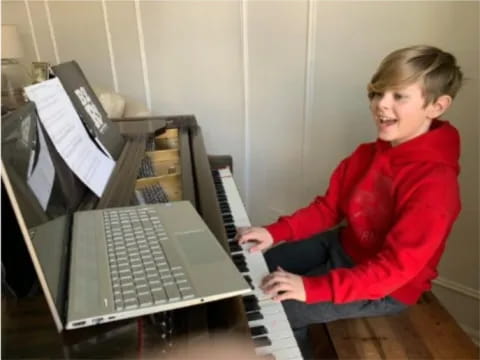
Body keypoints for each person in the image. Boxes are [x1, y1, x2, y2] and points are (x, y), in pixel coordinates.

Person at [236, 45, 463, 358]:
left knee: (285, 310)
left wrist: (310, 289)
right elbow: (328, 208)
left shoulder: (435, 184)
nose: (381, 105)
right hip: (343, 246)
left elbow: (394, 270)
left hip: (389, 286)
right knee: (258, 266)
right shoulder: (367, 154)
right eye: (377, 92)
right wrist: (274, 232)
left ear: (436, 106)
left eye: (399, 96)